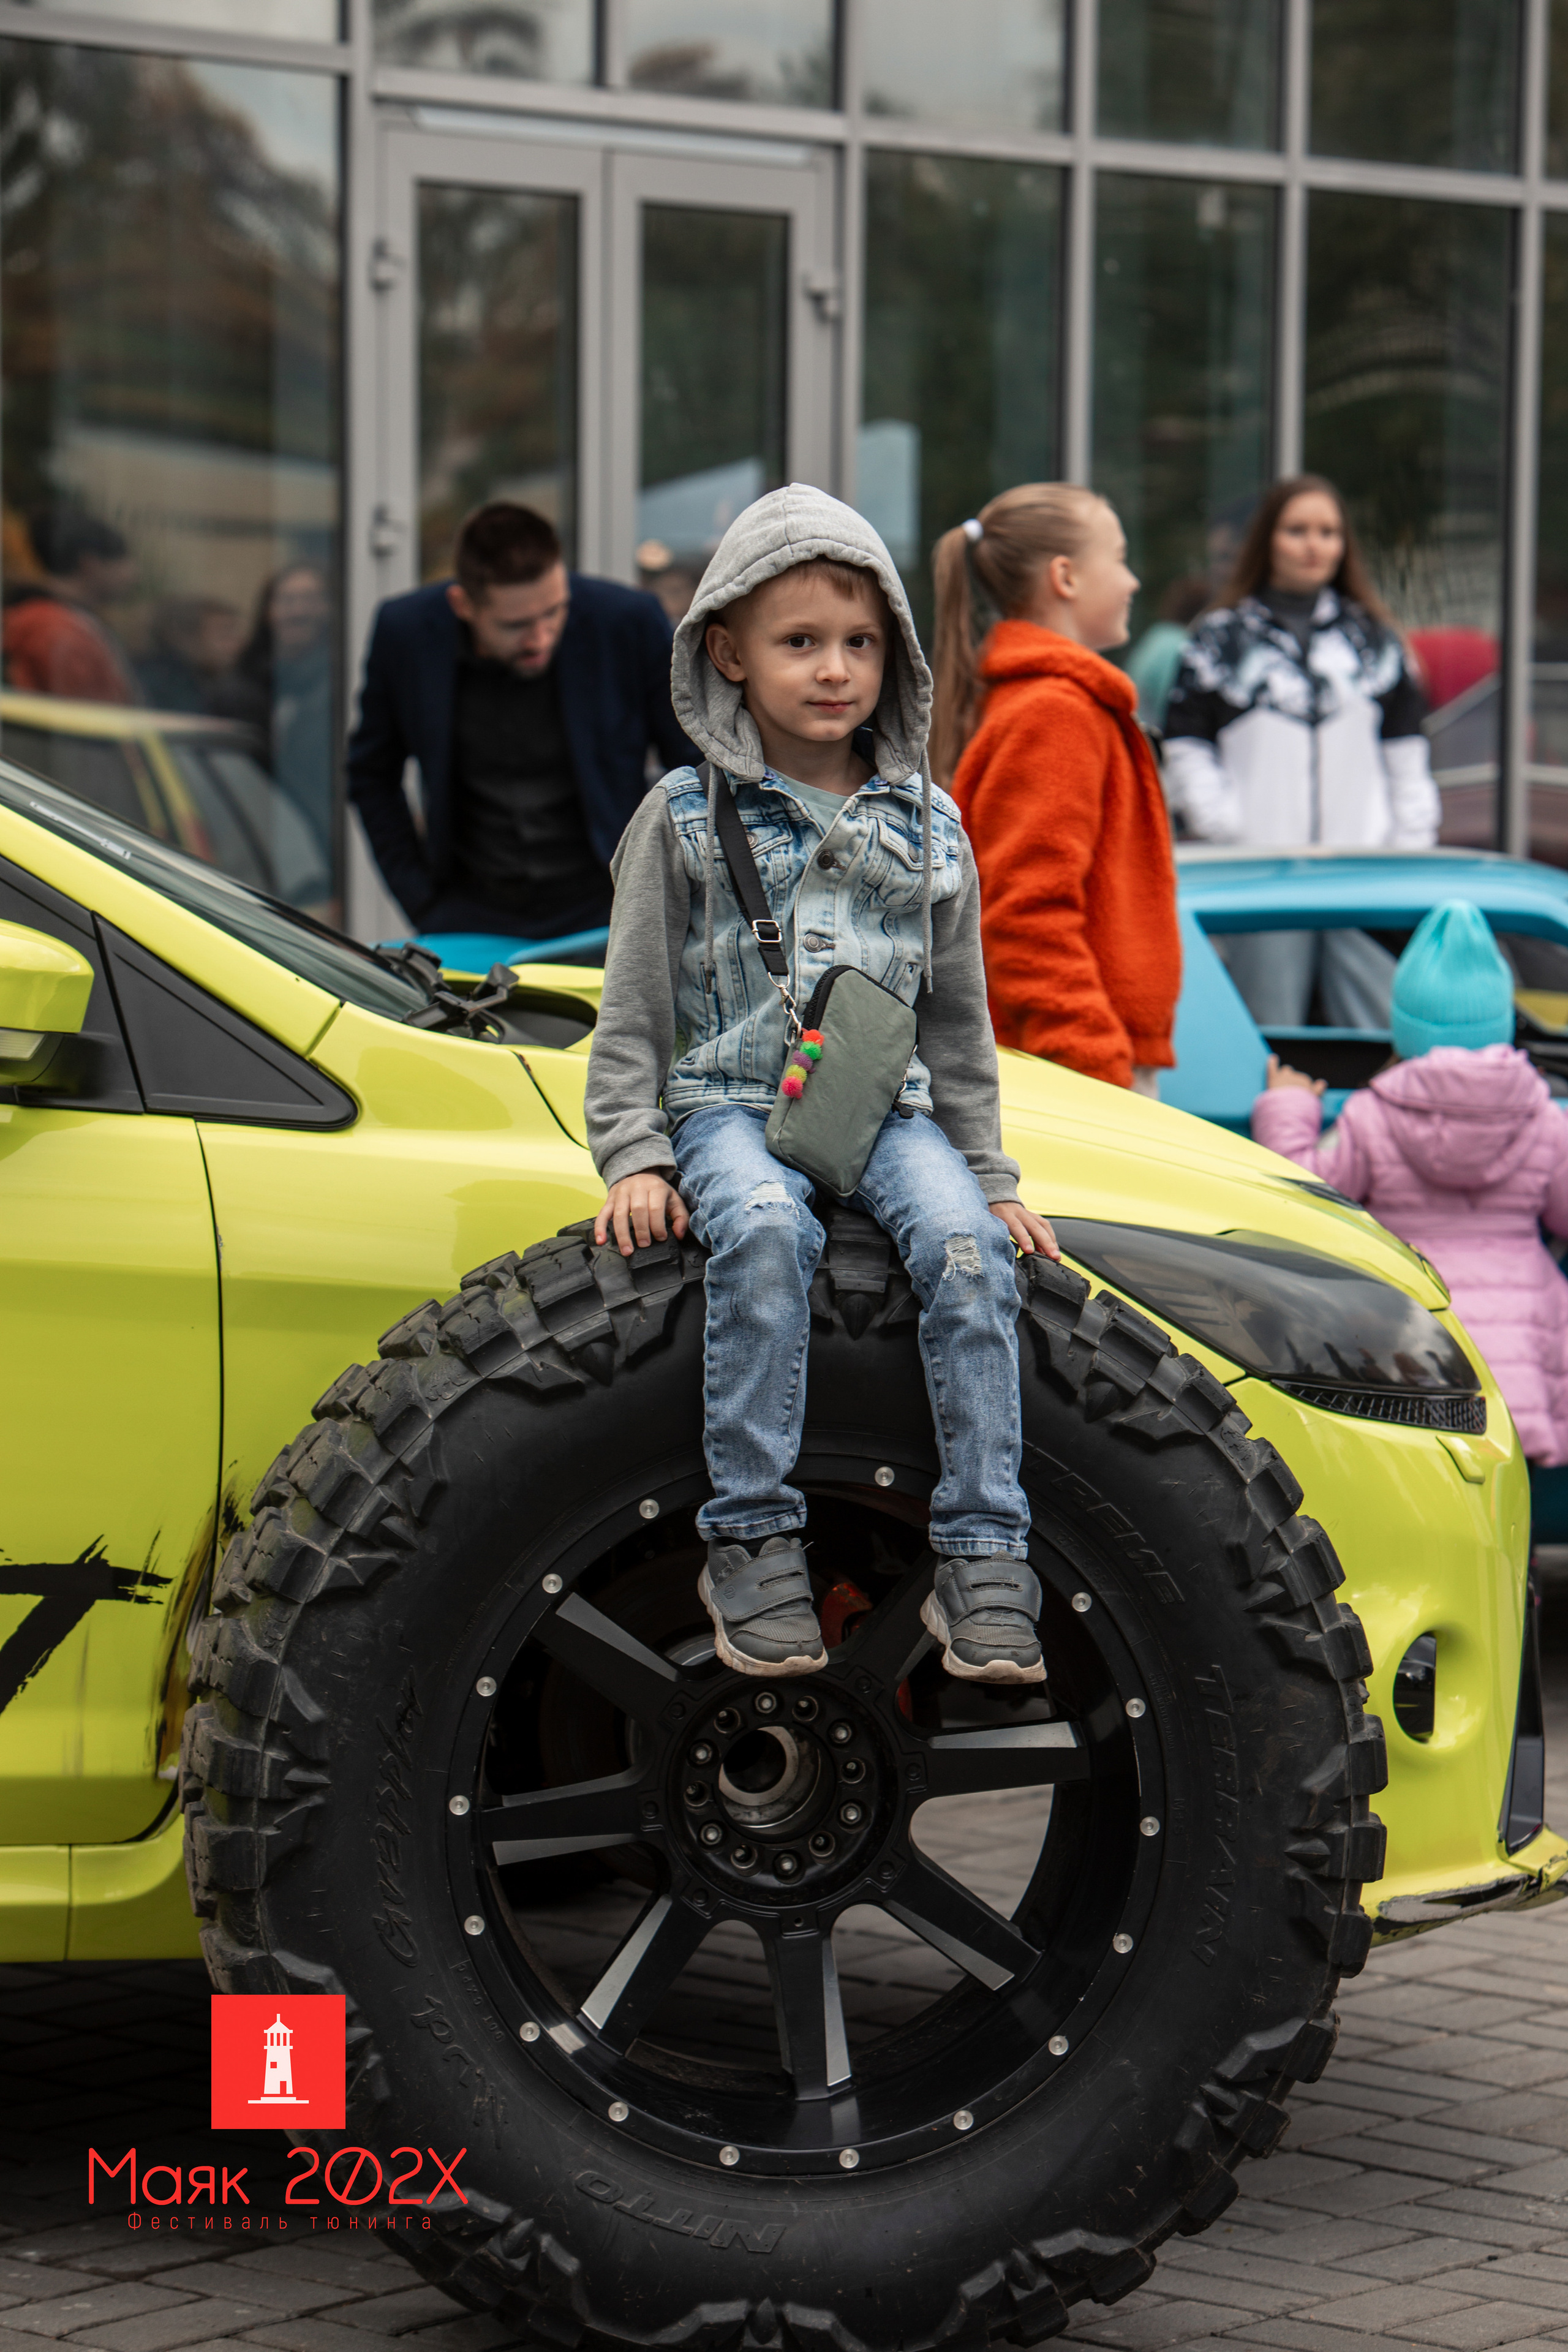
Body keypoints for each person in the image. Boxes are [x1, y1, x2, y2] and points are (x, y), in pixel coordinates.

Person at [584, 482, 1058, 1683]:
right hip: (727, 1105)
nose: (832, 670)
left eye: (857, 644)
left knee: (963, 1252)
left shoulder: (928, 821)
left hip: (881, 1114)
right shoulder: (681, 817)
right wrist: (633, 1155)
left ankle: (985, 1549)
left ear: (893, 656)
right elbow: (631, 1002)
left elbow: (960, 1023)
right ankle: (748, 1538)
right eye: (799, 643)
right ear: (727, 655)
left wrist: (990, 1177)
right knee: (755, 1230)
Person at [1252, 901, 1568, 1487]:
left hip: (1415, 1332)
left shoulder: (1374, 1115)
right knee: (1512, 1497)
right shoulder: (1543, 1116)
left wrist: (1288, 1104)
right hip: (1521, 1349)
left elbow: (1305, 1194)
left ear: (1406, 1026)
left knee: (1430, 1487)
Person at [346, 502, 695, 943]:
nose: (541, 638)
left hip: (610, 905)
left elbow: (692, 763)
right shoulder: (406, 633)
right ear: (463, 605)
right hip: (467, 913)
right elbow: (371, 774)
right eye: (516, 625)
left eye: (553, 612)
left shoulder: (626, 622)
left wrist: (674, 890)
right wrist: (422, 901)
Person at [930, 484, 1181, 1098]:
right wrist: (1093, 1064)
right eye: (1118, 558)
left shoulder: (1053, 704)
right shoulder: (1055, 714)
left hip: (1073, 1062)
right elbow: (1025, 915)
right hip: (1078, 1073)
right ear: (1065, 576)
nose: (1132, 581)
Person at [1163, 473, 1439, 1028]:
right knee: (1267, 1031)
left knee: (1377, 1036)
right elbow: (1187, 744)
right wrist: (1228, 825)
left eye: (1329, 532)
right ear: (1267, 539)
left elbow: (1407, 755)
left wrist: (1406, 848)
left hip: (1366, 876)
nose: (1315, 545)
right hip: (1260, 877)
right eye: (1297, 531)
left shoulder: (1377, 640)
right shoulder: (1219, 639)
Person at [209, 562, 336, 854]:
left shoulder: (342, 686)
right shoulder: (238, 687)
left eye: (311, 600)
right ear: (268, 611)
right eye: (287, 600)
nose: (299, 612)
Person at [2, 509, 140, 704]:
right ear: (90, 564)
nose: (133, 575)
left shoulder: (61, 619)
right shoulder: (57, 628)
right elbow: (87, 717)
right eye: (123, 560)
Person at [137, 595, 246, 714]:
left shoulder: (214, 682)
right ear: (188, 637)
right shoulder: (164, 685)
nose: (236, 645)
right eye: (224, 635)